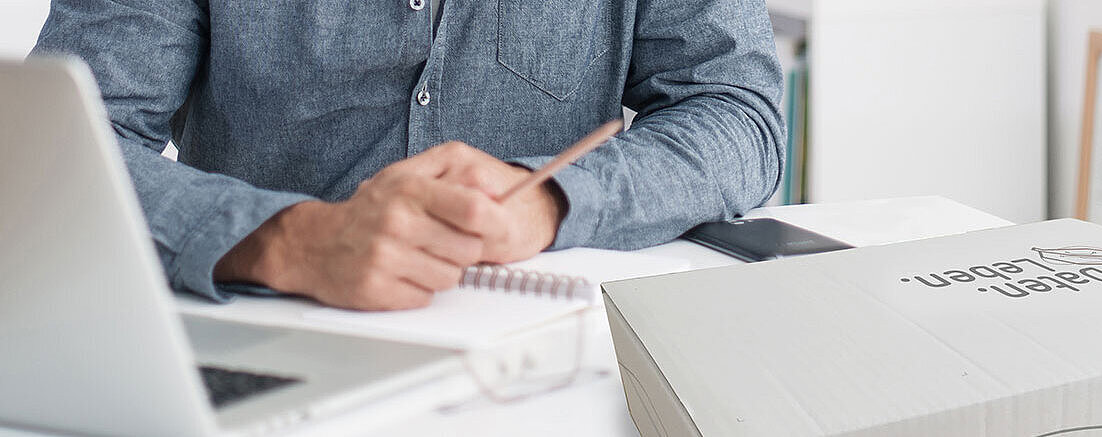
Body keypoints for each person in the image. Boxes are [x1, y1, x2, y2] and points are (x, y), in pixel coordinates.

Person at [31, 0, 785, 311]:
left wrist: (549, 199)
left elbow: (738, 113)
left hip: (542, 353)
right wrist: (286, 240)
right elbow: (48, 156)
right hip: (271, 335)